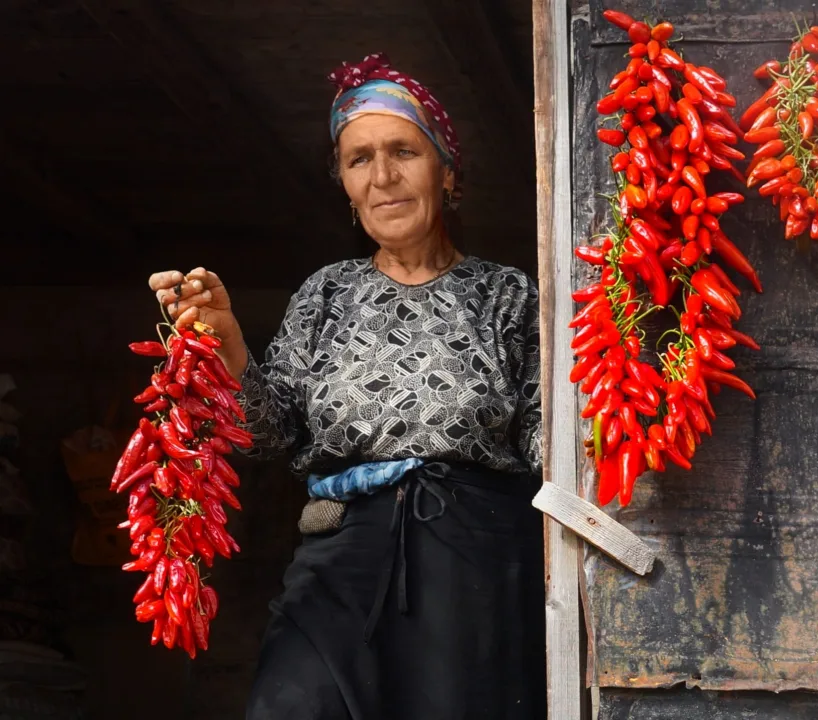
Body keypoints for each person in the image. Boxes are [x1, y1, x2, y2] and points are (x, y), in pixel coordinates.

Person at [148, 52, 546, 720]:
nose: (383, 177)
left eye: (404, 152)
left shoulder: (507, 296)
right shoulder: (326, 293)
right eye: (359, 159)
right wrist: (228, 341)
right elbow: (266, 432)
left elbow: (548, 441)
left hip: (470, 569)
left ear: (447, 172)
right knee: (289, 705)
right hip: (340, 556)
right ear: (344, 184)